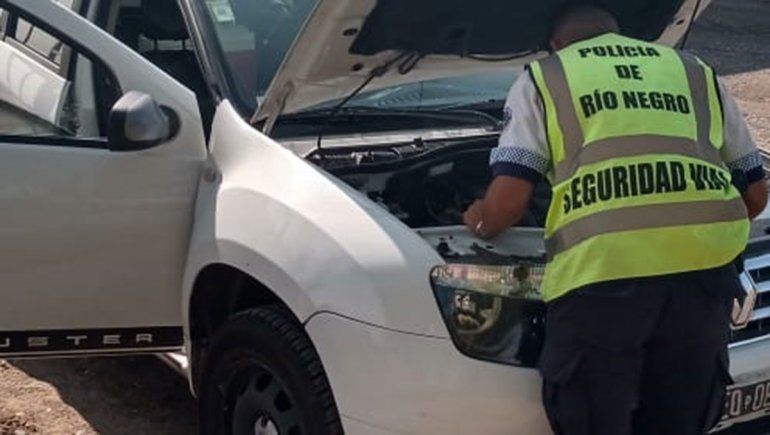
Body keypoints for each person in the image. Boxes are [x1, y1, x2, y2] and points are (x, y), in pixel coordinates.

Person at [463, 5, 768, 435]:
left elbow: (510, 201)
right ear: (622, 34)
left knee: (593, 417)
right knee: (679, 421)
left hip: (602, 282)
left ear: (556, 44)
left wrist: (480, 219)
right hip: (705, 282)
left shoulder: (547, 77)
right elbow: (755, 193)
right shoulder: (694, 71)